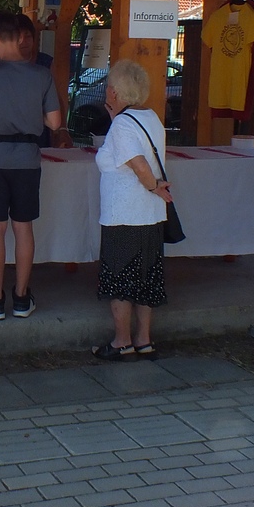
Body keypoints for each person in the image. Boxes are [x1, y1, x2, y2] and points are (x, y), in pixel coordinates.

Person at [0, 12, 62, 320]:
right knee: (24, 228)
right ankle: (21, 298)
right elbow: (55, 122)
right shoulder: (42, 75)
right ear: (20, 39)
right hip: (28, 160)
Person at [91, 59, 170, 361]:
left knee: (121, 281)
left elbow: (138, 164)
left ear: (114, 91)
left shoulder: (122, 126)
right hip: (151, 215)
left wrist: (152, 185)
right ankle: (144, 340)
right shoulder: (149, 117)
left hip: (124, 215)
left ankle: (122, 342)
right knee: (146, 278)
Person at [15, 13, 73, 148]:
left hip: (41, 131)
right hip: (11, 133)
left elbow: (56, 98)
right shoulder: (3, 65)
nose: (23, 41)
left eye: (28, 36)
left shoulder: (45, 62)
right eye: (18, 37)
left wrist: (62, 130)